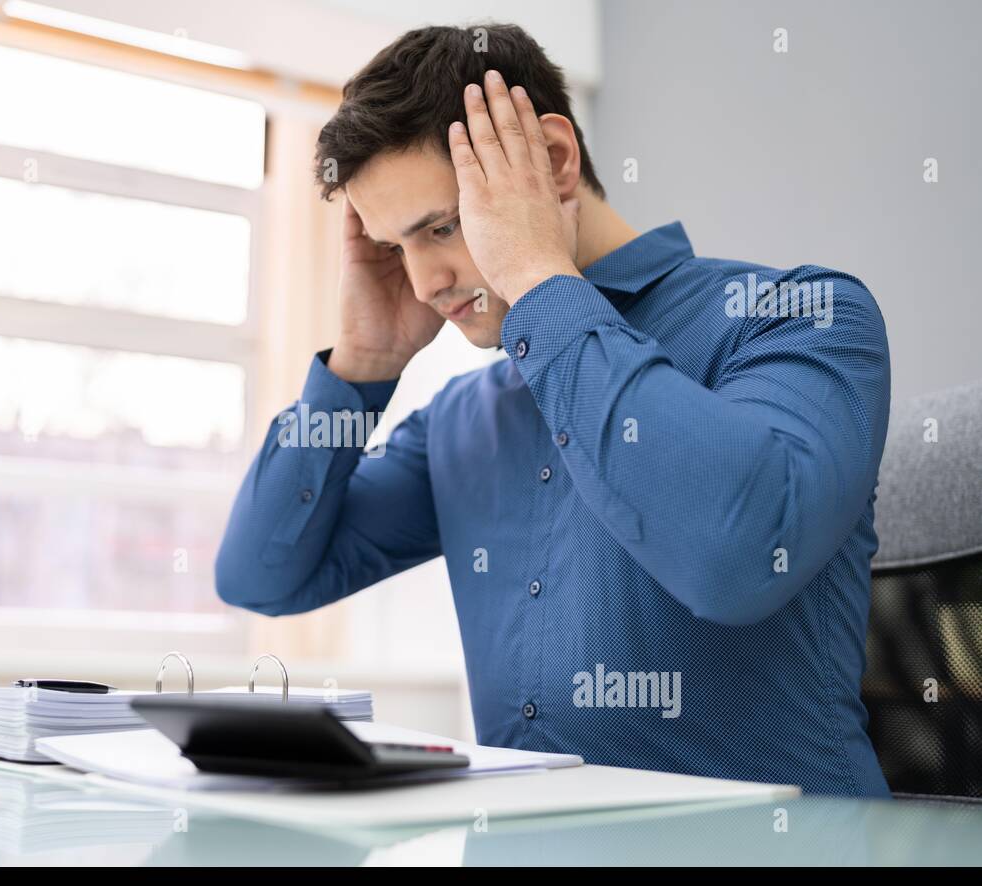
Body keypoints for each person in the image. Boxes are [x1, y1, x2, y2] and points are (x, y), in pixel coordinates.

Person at [215, 23, 891, 797]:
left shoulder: (801, 314)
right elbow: (261, 576)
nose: (428, 279)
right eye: (397, 248)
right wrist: (361, 366)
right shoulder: (462, 420)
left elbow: (736, 560)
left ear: (556, 163)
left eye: (443, 226)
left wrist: (538, 276)